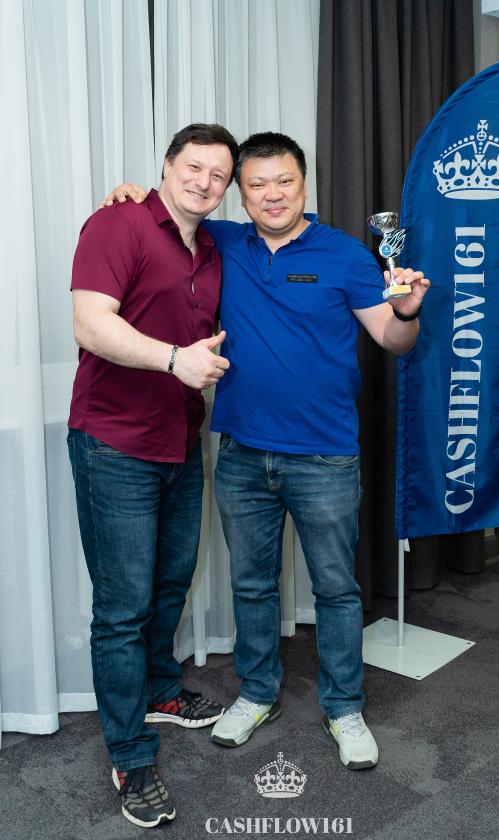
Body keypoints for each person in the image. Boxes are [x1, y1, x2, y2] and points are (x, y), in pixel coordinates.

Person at [103, 131, 429, 774]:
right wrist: (131, 195)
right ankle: (257, 693)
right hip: (243, 454)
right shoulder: (222, 243)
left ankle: (344, 707)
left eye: (285, 181)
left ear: (304, 184)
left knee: (336, 589)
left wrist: (408, 312)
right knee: (252, 586)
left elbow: (394, 341)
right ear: (240, 194)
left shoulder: (344, 254)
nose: (272, 195)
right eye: (257, 184)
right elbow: (167, 216)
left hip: (325, 457)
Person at [68, 123, 239, 828]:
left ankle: (161, 691)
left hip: (179, 442)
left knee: (170, 583)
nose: (204, 181)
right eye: (193, 166)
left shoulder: (213, 245)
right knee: (122, 607)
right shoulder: (118, 224)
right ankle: (129, 755)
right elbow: (90, 324)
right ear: (166, 166)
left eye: (218, 174)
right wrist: (175, 359)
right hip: (114, 445)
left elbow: (284, 220)